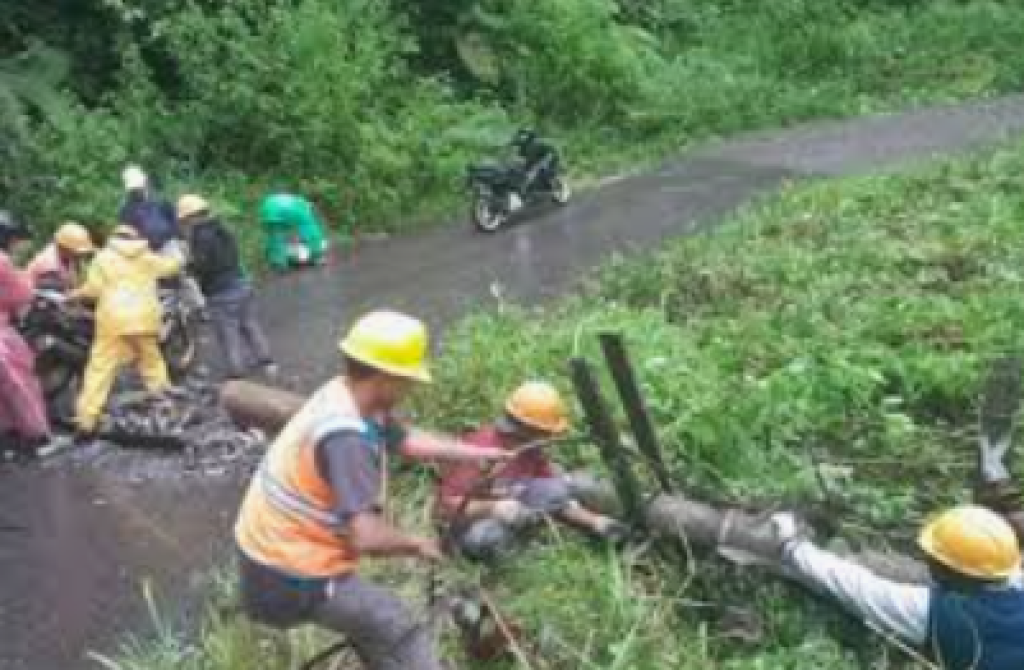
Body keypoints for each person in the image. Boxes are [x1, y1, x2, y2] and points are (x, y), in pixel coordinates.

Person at [234, 310, 510, 670]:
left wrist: (475, 453)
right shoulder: (346, 438)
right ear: (386, 377)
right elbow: (367, 538)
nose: (411, 388)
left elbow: (406, 440)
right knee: (400, 625)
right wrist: (418, 544)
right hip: (287, 576)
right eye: (408, 379)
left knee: (374, 632)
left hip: (269, 554)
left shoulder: (346, 392)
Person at [437, 381, 628, 561]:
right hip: (470, 523)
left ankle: (529, 540)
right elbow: (446, 507)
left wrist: (594, 521)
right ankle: (515, 565)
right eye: (545, 432)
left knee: (562, 486)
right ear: (525, 428)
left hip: (517, 514)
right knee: (485, 539)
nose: (549, 437)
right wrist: (493, 508)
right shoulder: (479, 451)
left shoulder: (531, 450)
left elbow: (554, 496)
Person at [69, 225, 182, 437]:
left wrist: (74, 294)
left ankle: (86, 420)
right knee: (152, 364)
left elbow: (93, 290)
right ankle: (167, 409)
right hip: (145, 317)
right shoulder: (146, 257)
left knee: (100, 369)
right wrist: (177, 254)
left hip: (113, 319)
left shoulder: (102, 258)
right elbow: (171, 267)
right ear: (135, 238)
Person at [176, 194, 276, 379]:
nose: (184, 225)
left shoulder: (201, 237)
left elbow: (205, 265)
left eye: (185, 220)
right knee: (249, 324)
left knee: (227, 332)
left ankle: (236, 371)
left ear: (191, 217)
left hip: (221, 292)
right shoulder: (221, 228)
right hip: (240, 283)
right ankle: (266, 361)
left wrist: (187, 268)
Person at [0, 211, 51, 455]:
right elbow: (21, 294)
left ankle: (7, 435)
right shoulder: (2, 261)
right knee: (21, 382)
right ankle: (37, 436)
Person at [118, 165, 180, 253]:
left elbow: (174, 222)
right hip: (144, 251)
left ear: (146, 183)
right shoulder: (126, 210)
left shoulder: (161, 201)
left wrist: (175, 236)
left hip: (168, 245)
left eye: (139, 188)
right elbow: (126, 233)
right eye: (135, 190)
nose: (137, 191)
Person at [258, 193, 327, 271]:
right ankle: (317, 258)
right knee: (311, 233)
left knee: (275, 238)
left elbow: (289, 233)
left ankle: (279, 263)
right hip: (282, 208)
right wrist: (318, 253)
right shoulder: (304, 210)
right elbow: (313, 235)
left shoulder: (298, 201)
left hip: (266, 209)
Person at [25, 222, 95, 291]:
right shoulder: (49, 266)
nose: (80, 255)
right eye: (76, 252)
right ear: (64, 247)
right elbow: (53, 294)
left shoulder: (66, 257)